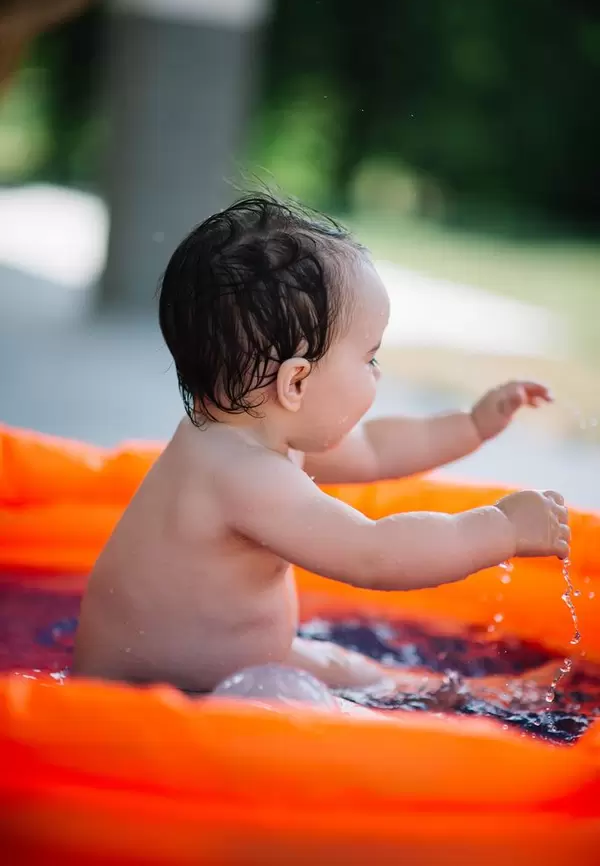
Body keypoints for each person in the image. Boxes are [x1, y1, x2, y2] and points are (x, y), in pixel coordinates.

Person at [73, 195, 570, 701]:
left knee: (346, 668)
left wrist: (471, 424)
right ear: (296, 384)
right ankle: (467, 703)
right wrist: (501, 530)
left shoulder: (251, 432)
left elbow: (376, 449)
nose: (377, 372)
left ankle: (465, 692)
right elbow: (374, 555)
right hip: (156, 701)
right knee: (320, 704)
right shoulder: (242, 475)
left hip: (224, 668)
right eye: (370, 357)